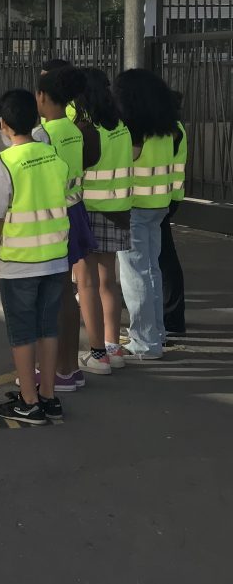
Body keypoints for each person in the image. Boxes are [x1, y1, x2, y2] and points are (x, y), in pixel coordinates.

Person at [0, 89, 70, 425]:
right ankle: (48, 396)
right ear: (35, 120)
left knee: (22, 333)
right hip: (55, 258)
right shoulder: (53, 158)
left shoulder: (4, 163)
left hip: (19, 263)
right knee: (48, 328)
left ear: (3, 124)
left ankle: (28, 401)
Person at [33, 65, 96, 394]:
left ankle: (54, 371)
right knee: (66, 295)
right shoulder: (74, 129)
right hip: (75, 209)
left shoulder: (43, 134)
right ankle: (70, 368)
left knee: (51, 295)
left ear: (42, 96)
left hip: (53, 216)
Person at [113, 69, 184, 361]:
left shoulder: (132, 131)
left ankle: (144, 342)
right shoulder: (171, 127)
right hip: (159, 205)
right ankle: (156, 333)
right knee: (152, 271)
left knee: (136, 275)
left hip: (134, 207)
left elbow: (123, 162)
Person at [73, 68, 133, 373]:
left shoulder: (86, 129)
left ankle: (97, 355)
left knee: (87, 283)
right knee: (109, 281)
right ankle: (113, 346)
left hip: (91, 211)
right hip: (119, 210)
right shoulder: (120, 125)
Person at [161, 91, 188, 336]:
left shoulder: (170, 129)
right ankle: (170, 316)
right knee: (163, 258)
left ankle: (172, 318)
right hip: (168, 197)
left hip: (163, 198)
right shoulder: (174, 126)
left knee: (165, 260)